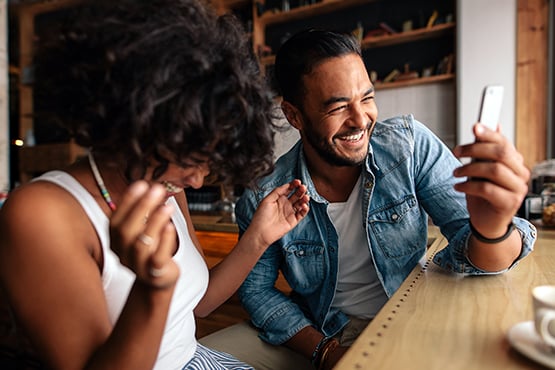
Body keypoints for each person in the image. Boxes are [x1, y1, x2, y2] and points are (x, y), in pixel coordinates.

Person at [199, 29, 537, 370]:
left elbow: (483, 262)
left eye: (366, 98)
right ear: (294, 115)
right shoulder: (266, 192)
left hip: (407, 318)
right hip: (319, 329)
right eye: (338, 107)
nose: (360, 120)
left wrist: (492, 227)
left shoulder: (409, 147)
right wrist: (325, 351)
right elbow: (257, 292)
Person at [0, 1, 311, 369]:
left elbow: (201, 303)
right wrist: (152, 289)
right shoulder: (42, 216)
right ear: (134, 121)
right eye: (191, 159)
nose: (196, 181)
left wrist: (260, 235)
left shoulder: (166, 186)